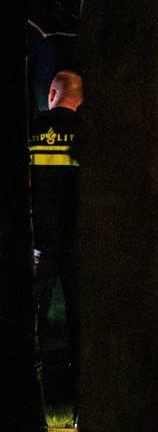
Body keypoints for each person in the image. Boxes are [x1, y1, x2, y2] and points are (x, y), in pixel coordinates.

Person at [28, 70, 83, 396]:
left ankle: (31, 400)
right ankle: (83, 404)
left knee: (33, 322)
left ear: (52, 93)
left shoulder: (31, 129)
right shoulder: (88, 134)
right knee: (82, 324)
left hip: (39, 240)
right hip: (77, 243)